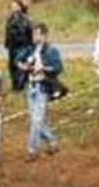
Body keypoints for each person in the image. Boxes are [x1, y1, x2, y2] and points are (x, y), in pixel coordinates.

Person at [19, 23, 63, 161]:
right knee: (38, 119)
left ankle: (32, 150)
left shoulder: (51, 50)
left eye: (36, 34)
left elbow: (58, 68)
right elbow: (18, 60)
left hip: (43, 88)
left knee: (36, 120)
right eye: (33, 34)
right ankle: (53, 141)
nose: (34, 36)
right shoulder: (29, 49)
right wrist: (24, 66)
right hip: (30, 87)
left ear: (44, 35)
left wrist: (43, 68)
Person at [5, 0, 34, 91]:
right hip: (12, 46)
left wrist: (30, 45)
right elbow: (7, 32)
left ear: (20, 7)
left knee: (19, 64)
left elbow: (30, 32)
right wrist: (7, 43)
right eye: (12, 7)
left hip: (22, 45)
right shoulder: (10, 19)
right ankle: (15, 85)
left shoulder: (25, 19)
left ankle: (20, 86)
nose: (13, 8)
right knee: (12, 66)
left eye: (15, 6)